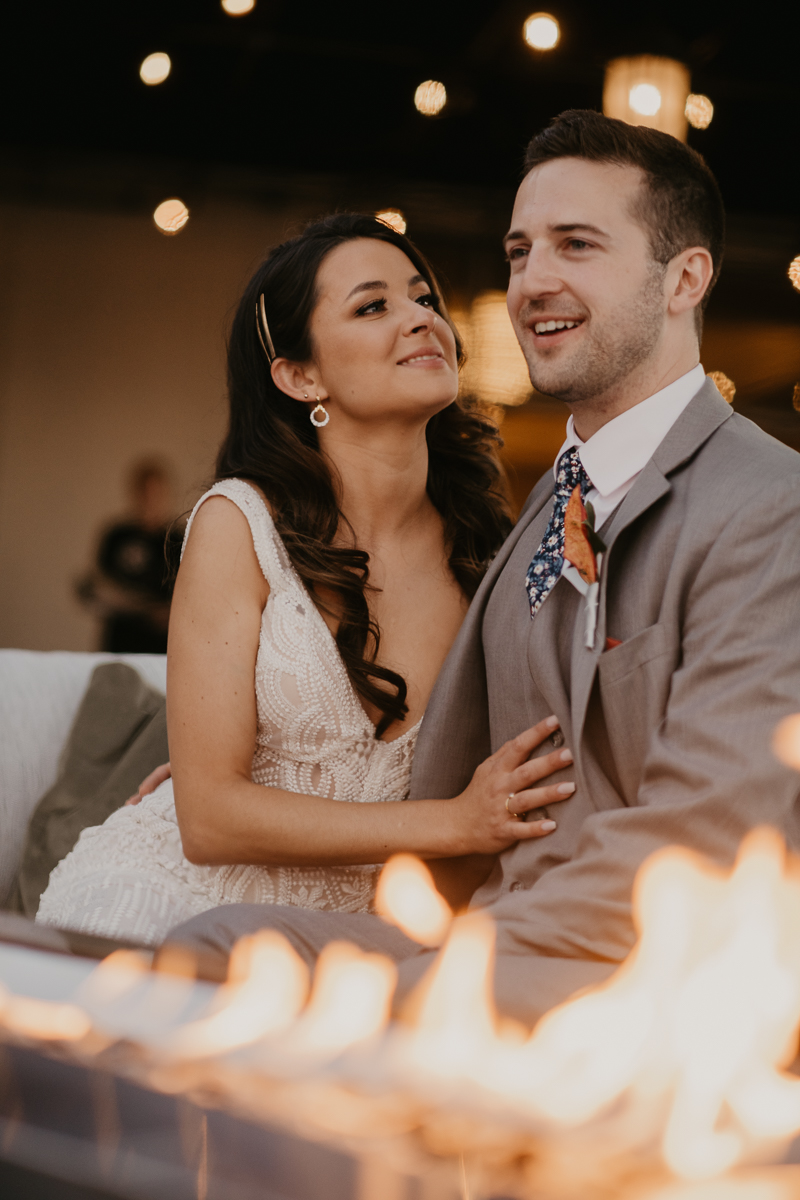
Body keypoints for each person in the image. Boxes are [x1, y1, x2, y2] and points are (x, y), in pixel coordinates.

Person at [164, 110, 800, 1028]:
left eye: (576, 245)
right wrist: (203, 738)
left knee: (374, 1016)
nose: (533, 282)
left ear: (684, 279)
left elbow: (704, 835)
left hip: (631, 950)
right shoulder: (543, 508)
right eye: (518, 251)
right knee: (206, 953)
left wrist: (458, 964)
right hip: (480, 917)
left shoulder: (769, 504)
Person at [36, 214, 574, 946]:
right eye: (373, 305)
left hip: (345, 942)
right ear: (299, 374)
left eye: (423, 299)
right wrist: (451, 823)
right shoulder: (239, 524)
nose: (419, 319)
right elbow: (209, 821)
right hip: (165, 907)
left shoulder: (490, 551)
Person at [76, 459, 180, 654]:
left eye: (156, 493)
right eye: (146, 493)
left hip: (162, 646)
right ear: (135, 493)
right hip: (120, 640)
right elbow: (98, 588)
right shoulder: (117, 535)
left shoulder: (177, 539)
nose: (151, 500)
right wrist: (142, 608)